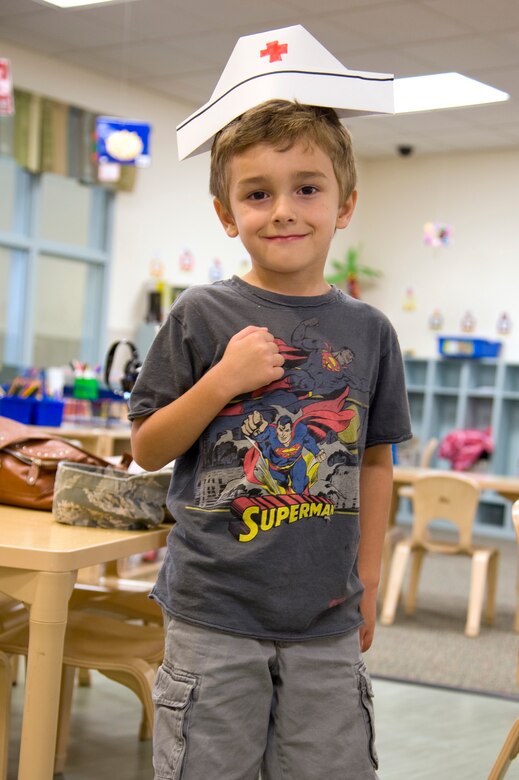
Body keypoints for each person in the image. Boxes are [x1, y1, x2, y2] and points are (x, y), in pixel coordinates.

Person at [129, 96, 411, 780]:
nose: (282, 209)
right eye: (257, 194)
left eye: (306, 189)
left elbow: (375, 462)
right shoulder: (201, 313)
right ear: (228, 215)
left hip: (327, 615)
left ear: (343, 204)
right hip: (213, 613)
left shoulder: (369, 331)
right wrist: (221, 381)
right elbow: (147, 448)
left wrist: (367, 583)